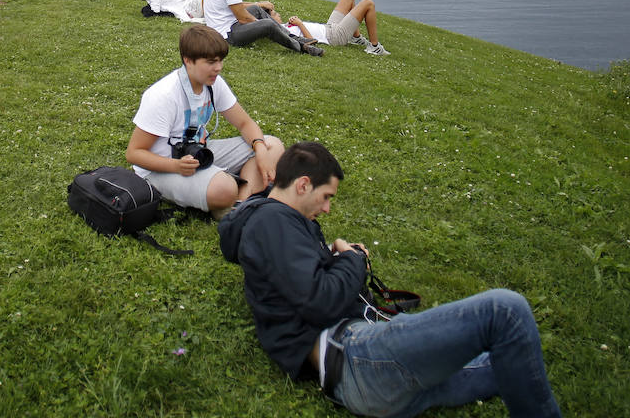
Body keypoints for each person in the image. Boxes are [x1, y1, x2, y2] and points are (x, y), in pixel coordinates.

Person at [218, 142, 562, 418]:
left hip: (368, 376)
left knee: (508, 360)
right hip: (355, 357)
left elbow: (304, 284)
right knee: (506, 311)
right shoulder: (272, 223)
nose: (327, 210)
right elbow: (319, 300)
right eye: (326, 197)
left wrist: (339, 258)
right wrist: (353, 260)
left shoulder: (281, 223)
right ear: (303, 184)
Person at [126, 24, 284, 219]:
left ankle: (240, 203)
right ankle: (229, 193)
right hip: (160, 169)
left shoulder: (213, 83)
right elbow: (134, 153)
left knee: (272, 146)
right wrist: (175, 166)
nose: (218, 68)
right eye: (210, 62)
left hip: (198, 153)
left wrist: (259, 149)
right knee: (223, 188)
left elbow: (245, 124)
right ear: (188, 61)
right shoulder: (163, 95)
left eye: (220, 61)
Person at [294, 0, 391, 56]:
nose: (279, 15)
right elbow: (311, 41)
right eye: (277, 14)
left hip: (328, 27)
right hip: (333, 36)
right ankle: (374, 47)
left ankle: (355, 38)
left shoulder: (283, 26)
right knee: (368, 3)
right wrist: (300, 24)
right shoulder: (283, 31)